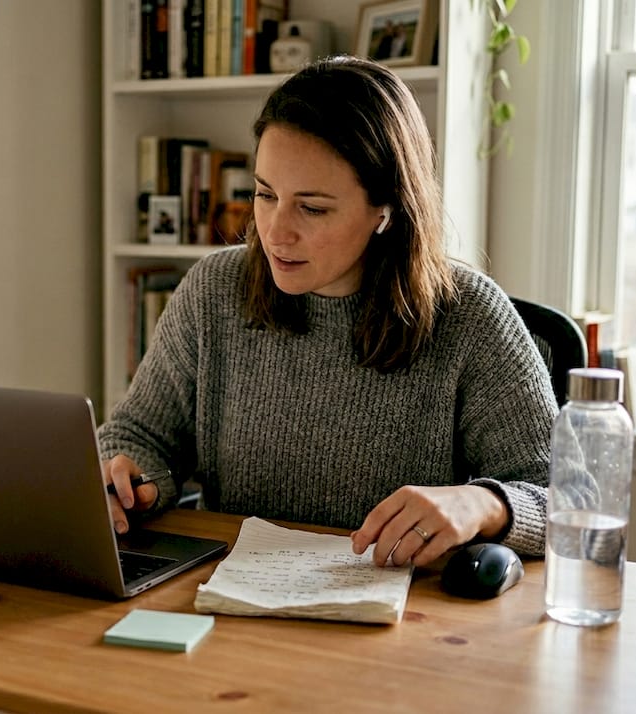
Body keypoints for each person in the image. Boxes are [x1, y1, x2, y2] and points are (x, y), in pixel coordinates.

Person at [98, 55, 558, 568]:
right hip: (227, 604)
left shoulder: (469, 317)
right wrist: (127, 478)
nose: (275, 232)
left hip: (399, 623)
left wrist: (485, 503)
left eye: (312, 208)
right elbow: (139, 434)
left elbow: (566, 502)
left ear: (385, 208)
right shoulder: (214, 290)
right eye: (264, 194)